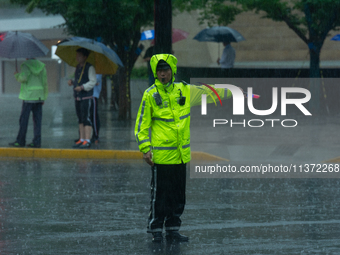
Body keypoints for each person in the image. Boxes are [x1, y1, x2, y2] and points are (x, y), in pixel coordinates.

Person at [135, 54, 232, 243]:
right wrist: (145, 148)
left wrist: (233, 91)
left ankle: (172, 228)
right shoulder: (150, 95)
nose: (163, 74)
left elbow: (210, 93)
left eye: (166, 70)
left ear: (172, 71)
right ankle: (156, 229)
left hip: (180, 156)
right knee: (160, 196)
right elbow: (141, 125)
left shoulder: (184, 91)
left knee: (178, 195)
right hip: (161, 158)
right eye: (160, 71)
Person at [9, 58, 48, 148]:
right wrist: (43, 97)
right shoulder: (42, 66)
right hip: (39, 96)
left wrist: (17, 75)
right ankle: (37, 142)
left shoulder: (26, 65)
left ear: (27, 56)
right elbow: (44, 82)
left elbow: (24, 78)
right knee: (37, 121)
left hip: (28, 97)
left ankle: (20, 141)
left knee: (23, 120)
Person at [67, 48, 96, 149]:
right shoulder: (78, 67)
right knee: (80, 119)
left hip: (86, 97)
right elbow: (77, 80)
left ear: (85, 57)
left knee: (86, 118)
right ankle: (82, 138)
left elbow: (93, 81)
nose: (77, 57)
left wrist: (83, 87)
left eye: (79, 55)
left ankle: (87, 140)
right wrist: (72, 82)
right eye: (77, 55)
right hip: (78, 97)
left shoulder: (89, 67)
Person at [92, 74, 102, 143]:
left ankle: (96, 135)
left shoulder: (97, 70)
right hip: (87, 95)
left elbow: (96, 81)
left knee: (94, 116)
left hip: (93, 95)